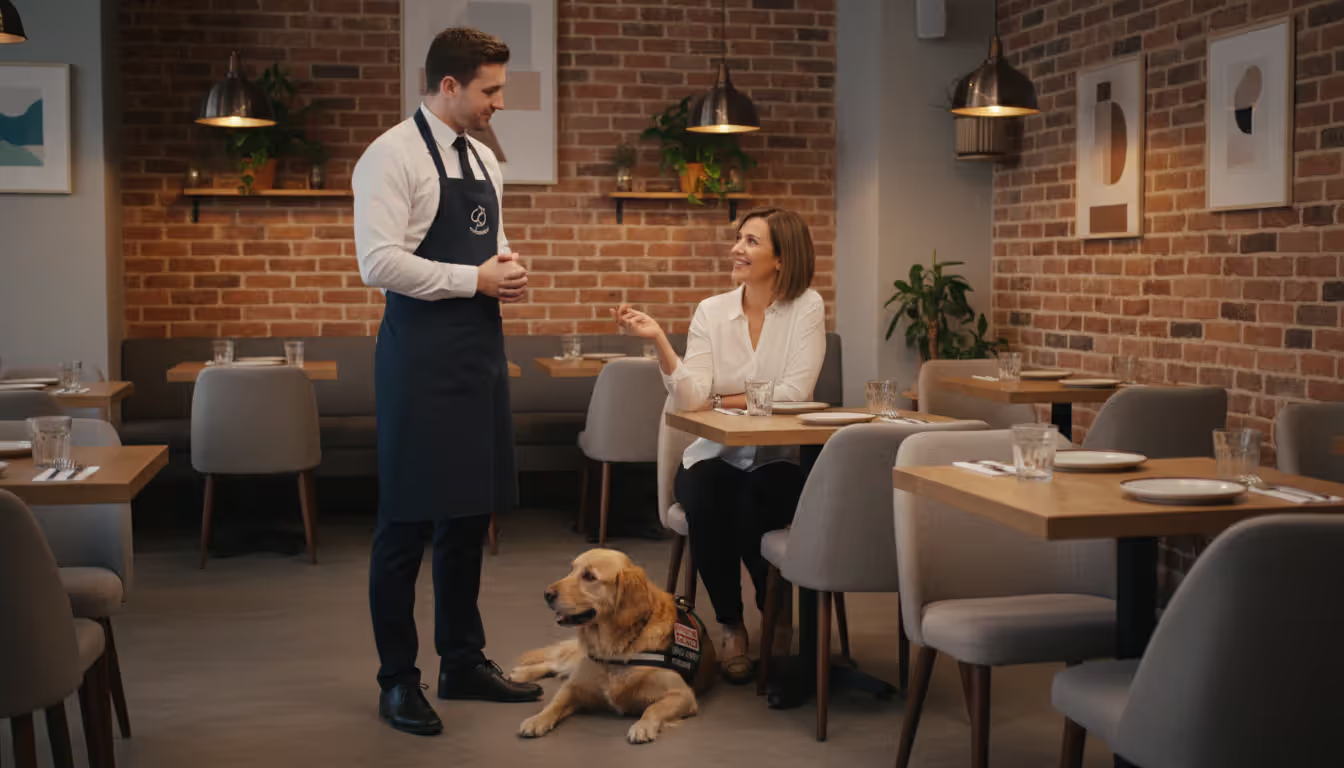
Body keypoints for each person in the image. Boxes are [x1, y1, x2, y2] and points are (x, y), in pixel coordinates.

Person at [353, 27, 542, 737]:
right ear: (450, 86)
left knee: (468, 518)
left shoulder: (487, 160)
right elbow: (378, 263)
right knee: (404, 524)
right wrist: (474, 278)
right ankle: (397, 680)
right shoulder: (390, 156)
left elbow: (486, 245)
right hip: (419, 362)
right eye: (490, 90)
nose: (499, 102)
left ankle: (461, 661)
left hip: (478, 354)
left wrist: (506, 268)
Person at [612, 208, 826, 684]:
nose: (737, 249)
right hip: (711, 457)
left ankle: (772, 610)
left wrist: (719, 397)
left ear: (781, 258)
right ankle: (733, 624)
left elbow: (795, 393)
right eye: (738, 238)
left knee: (758, 495)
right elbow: (690, 398)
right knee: (709, 491)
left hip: (776, 459)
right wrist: (660, 343)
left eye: (751, 242)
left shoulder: (806, 307)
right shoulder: (711, 311)